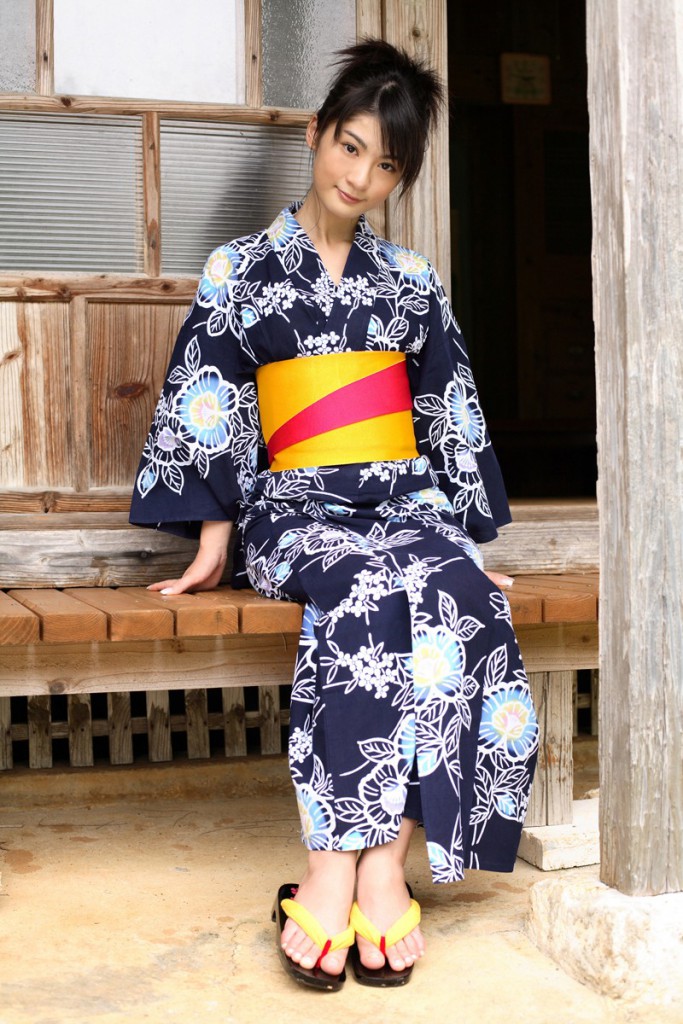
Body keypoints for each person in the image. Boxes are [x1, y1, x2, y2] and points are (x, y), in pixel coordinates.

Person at [129, 39, 538, 991]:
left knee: (460, 597)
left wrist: (457, 543)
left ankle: (383, 865)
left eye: (384, 165)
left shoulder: (411, 279)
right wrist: (214, 537)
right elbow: (213, 400)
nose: (359, 177)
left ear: (399, 177)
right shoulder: (240, 268)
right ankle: (329, 865)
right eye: (349, 147)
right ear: (315, 135)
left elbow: (442, 408)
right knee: (358, 592)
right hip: (297, 508)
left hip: (400, 498)